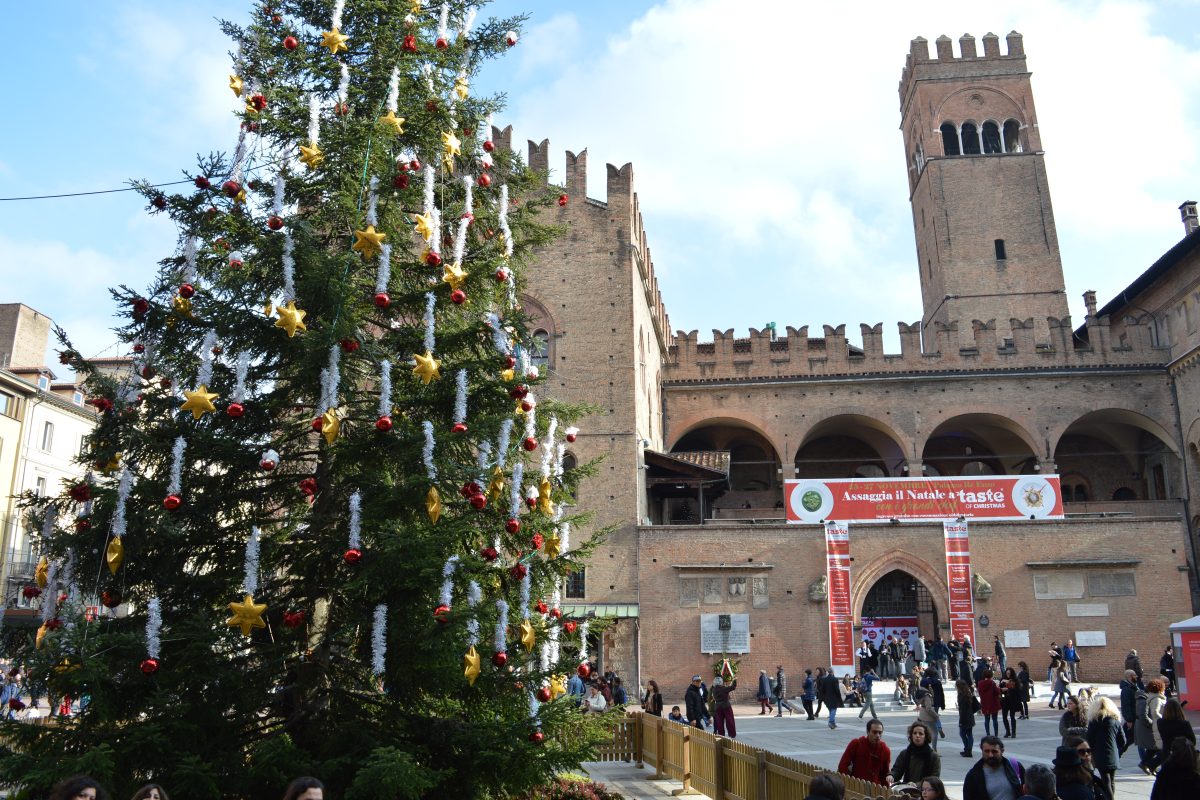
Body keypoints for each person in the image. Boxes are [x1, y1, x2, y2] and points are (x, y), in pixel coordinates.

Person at [1085, 696, 1125, 797]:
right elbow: (1123, 741)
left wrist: (1092, 751)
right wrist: (1116, 748)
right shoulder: (1115, 721)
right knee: (1111, 781)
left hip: (1099, 754)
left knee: (1105, 781)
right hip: (1113, 754)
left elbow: (1089, 739)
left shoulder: (1093, 722)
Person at [963, 735, 1024, 800]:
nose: (990, 755)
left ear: (1002, 751)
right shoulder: (973, 775)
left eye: (994, 751)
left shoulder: (1014, 766)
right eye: (986, 751)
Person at [837, 718, 891, 785]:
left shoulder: (885, 750)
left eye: (880, 732)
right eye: (874, 732)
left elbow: (885, 773)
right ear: (868, 732)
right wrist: (848, 783)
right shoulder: (856, 744)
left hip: (875, 789)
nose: (877, 735)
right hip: (856, 785)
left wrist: (885, 791)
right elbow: (843, 766)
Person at [889, 721, 942, 786]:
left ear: (925, 737)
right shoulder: (905, 753)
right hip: (907, 789)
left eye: (921, 734)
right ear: (911, 736)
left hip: (926, 792)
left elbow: (934, 779)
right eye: (915, 733)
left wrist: (917, 785)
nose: (917, 735)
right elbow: (897, 770)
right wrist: (891, 776)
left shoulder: (934, 756)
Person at [1136, 678, 1168, 774]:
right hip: (1158, 726)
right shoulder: (1157, 699)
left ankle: (1146, 763)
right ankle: (1152, 765)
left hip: (1155, 726)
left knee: (1155, 747)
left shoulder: (1153, 697)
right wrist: (1163, 720)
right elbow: (1155, 712)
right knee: (1161, 748)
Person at [957, 679, 980, 758]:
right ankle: (968, 750)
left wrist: (961, 721)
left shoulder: (962, 696)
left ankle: (968, 750)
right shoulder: (968, 693)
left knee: (962, 734)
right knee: (969, 734)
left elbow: (963, 710)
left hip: (965, 718)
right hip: (970, 717)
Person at [916, 687, 943, 751]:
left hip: (922, 715)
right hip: (928, 717)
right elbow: (929, 709)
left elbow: (919, 703)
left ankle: (922, 748)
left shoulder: (920, 693)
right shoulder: (927, 695)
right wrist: (936, 715)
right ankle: (934, 749)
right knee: (934, 732)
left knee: (924, 733)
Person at [1120, 668, 1141, 745]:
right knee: (1128, 741)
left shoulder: (1133, 686)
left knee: (1136, 740)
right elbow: (1126, 705)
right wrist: (1129, 720)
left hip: (1135, 717)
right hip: (1132, 719)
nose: (1137, 676)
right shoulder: (1126, 689)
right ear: (1130, 676)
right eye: (1135, 675)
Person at [977, 669, 1001, 738]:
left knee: (986, 719)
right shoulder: (992, 683)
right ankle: (996, 734)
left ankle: (988, 733)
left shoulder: (980, 683)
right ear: (991, 675)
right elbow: (997, 691)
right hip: (993, 702)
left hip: (984, 703)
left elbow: (979, 692)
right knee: (994, 719)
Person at [1000, 667, 1022, 739]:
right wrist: (1001, 686)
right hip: (1005, 700)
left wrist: (1008, 687)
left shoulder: (1015, 680)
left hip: (1013, 700)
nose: (1008, 675)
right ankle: (1007, 731)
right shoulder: (1003, 680)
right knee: (1004, 717)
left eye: (1009, 673)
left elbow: (1017, 690)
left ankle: (1013, 732)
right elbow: (1000, 689)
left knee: (1012, 717)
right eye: (1007, 673)